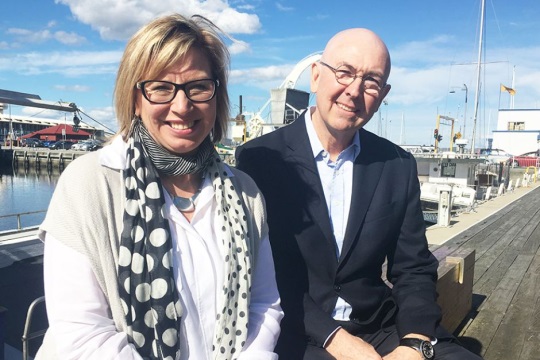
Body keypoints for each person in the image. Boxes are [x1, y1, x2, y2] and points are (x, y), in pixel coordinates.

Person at [37, 13, 282, 360]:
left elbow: (263, 305)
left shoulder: (245, 192)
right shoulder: (86, 185)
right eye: (161, 88)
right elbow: (82, 335)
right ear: (135, 98)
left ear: (216, 96)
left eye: (198, 86)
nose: (182, 106)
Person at [236, 28, 483, 360]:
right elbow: (262, 272)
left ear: (382, 95)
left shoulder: (396, 164)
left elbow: (412, 268)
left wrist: (414, 342)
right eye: (344, 72)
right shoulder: (260, 159)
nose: (354, 91)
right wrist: (334, 338)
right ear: (315, 76)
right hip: (298, 332)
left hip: (381, 327)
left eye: (371, 81)